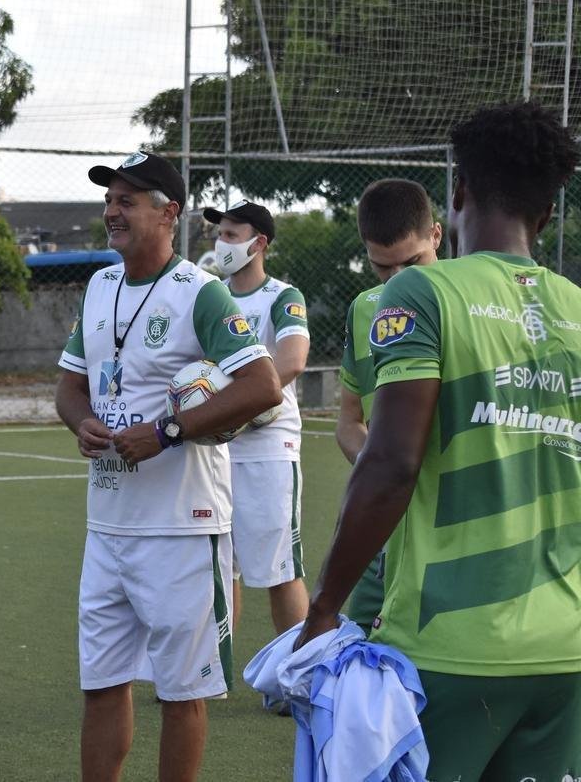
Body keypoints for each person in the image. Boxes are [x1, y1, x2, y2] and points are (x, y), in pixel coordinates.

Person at [297, 101, 581, 781]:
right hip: (568, 651)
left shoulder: (421, 294)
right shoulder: (577, 308)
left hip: (452, 647)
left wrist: (326, 606)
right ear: (547, 212)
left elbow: (392, 460)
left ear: (457, 193)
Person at [55, 151, 281, 782]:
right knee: (101, 685)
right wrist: (83, 423)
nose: (111, 212)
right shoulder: (100, 287)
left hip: (183, 527)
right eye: (109, 200)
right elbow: (68, 387)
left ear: (169, 212)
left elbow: (262, 386)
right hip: (108, 527)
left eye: (127, 200)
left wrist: (167, 431)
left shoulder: (201, 293)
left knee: (183, 694)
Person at [336, 179, 440, 632]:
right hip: (389, 520)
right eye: (383, 268)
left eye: (413, 262)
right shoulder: (364, 310)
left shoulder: (464, 303)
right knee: (350, 648)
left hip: (449, 526)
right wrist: (381, 467)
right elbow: (348, 422)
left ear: (436, 235)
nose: (399, 281)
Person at [203, 201, 310, 639]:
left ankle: (298, 677)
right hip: (216, 449)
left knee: (279, 567)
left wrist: (238, 405)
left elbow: (293, 359)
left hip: (268, 449)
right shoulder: (209, 295)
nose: (221, 243)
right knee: (220, 568)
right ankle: (210, 673)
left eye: (231, 235)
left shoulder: (282, 296)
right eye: (220, 235)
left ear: (258, 243)